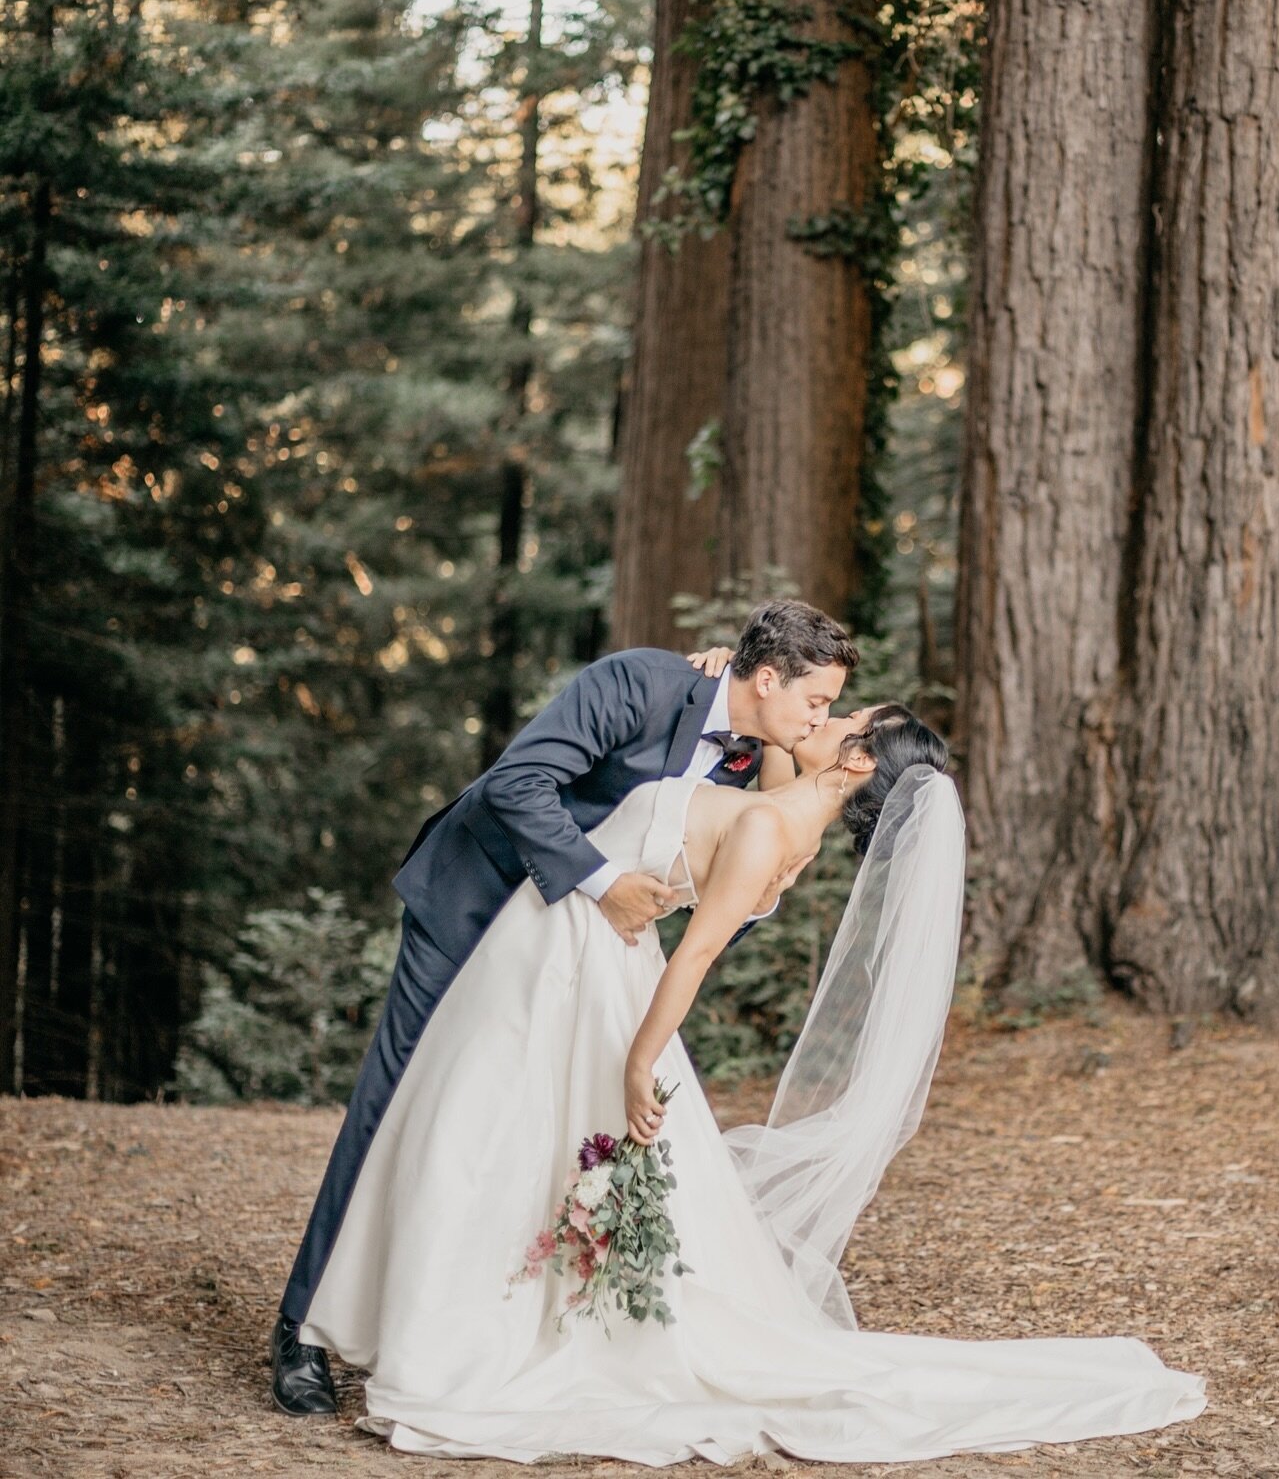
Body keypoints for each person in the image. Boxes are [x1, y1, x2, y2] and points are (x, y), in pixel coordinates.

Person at [295, 698, 1209, 1462]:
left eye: (846, 716)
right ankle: (438, 1319)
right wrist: (738, 690)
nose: (830, 714)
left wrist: (640, 1059)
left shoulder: (773, 826)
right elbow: (771, 743)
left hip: (587, 966)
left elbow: (692, 959)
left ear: (856, 761)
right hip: (568, 947)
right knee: (496, 1137)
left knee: (476, 1133)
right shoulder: (791, 819)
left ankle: (446, 1336)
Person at [270, 598, 859, 1415]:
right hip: (479, 904)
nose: (821, 716)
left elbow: (725, 861)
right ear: (766, 678)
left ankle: (443, 1324)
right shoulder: (638, 684)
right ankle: (301, 1329)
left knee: (514, 1128)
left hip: (575, 954)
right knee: (397, 1099)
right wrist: (603, 880)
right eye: (816, 700)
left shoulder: (746, 753)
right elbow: (518, 781)